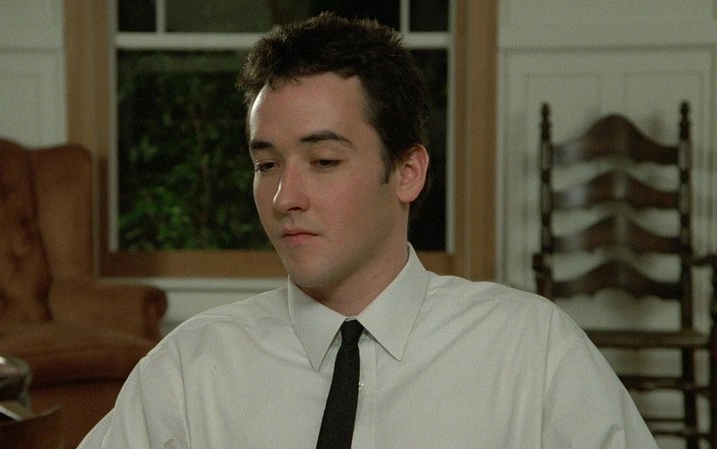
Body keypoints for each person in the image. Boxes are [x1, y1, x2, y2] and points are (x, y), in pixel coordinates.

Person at [78, 13, 658, 449]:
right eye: (266, 164)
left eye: (324, 161)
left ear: (407, 172)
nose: (284, 198)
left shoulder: (533, 353)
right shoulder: (189, 371)